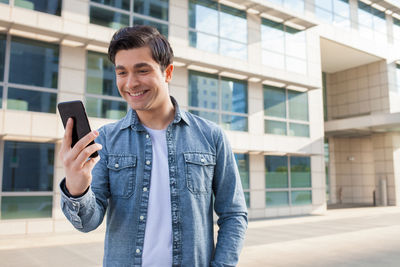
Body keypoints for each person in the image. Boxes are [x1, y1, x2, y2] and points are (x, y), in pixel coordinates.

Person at [59, 25, 247, 267]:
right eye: (122, 72)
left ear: (167, 72)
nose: (131, 83)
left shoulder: (211, 137)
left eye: (142, 70)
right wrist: (77, 189)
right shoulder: (106, 139)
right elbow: (87, 223)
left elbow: (234, 214)